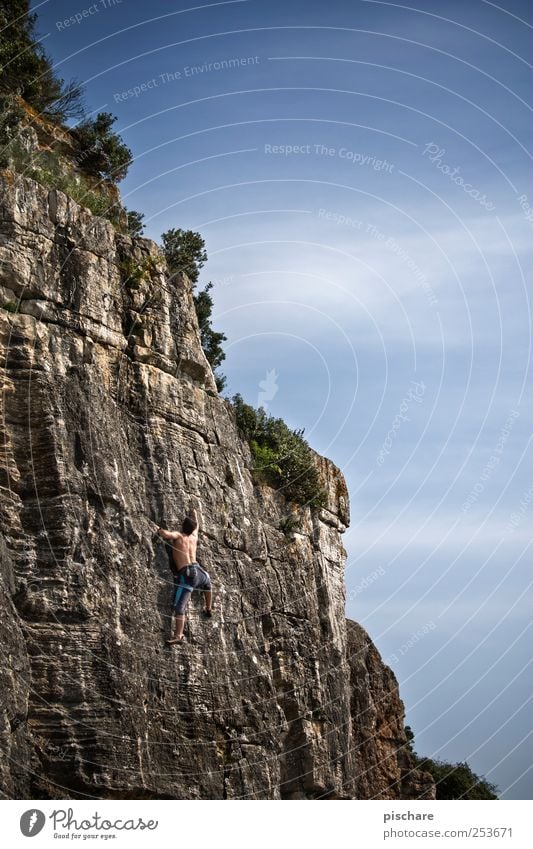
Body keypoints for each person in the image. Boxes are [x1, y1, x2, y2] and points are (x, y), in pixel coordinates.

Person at [156, 507, 212, 645]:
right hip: (199, 572)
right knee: (208, 583)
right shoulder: (194, 537)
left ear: (182, 526)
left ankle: (178, 635)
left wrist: (158, 530)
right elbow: (197, 525)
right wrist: (194, 513)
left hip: (187, 575)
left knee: (179, 607)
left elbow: (165, 535)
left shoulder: (179, 536)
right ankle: (209, 607)